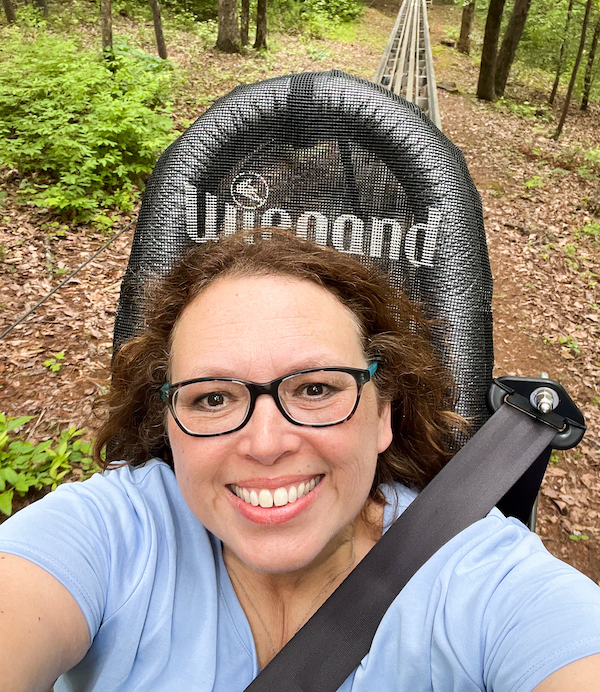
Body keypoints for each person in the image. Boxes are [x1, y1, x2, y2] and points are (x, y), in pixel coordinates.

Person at [1, 230, 600, 691]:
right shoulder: (110, 537)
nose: (265, 443)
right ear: (169, 424)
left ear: (383, 415)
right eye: (212, 398)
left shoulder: (477, 578)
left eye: (316, 389)